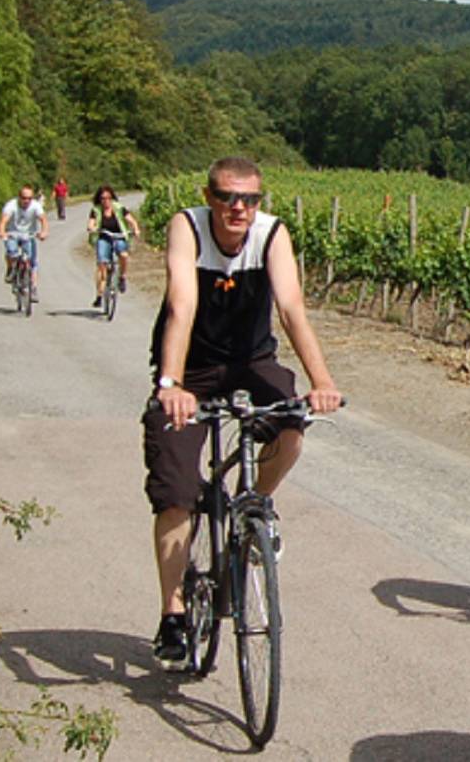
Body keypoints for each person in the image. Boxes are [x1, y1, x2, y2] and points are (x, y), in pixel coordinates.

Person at [143, 156, 343, 670]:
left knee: (293, 428)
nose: (239, 208)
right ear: (208, 196)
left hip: (251, 361)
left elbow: (292, 307)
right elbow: (181, 306)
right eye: (228, 197)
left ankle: (256, 506)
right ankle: (173, 612)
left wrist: (321, 381)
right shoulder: (186, 228)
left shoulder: (272, 235)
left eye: (250, 199)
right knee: (176, 494)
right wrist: (171, 383)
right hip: (192, 366)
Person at [87, 185, 141, 306]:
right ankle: (99, 295)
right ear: (99, 199)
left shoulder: (119, 208)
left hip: (119, 236)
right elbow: (91, 223)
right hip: (104, 237)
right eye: (103, 198)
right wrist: (92, 228)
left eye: (108, 198)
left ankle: (122, 276)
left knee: (124, 254)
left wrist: (135, 229)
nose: (106, 201)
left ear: (112, 198)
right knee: (102, 264)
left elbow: (131, 220)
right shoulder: (96, 210)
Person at [0, 185, 49, 302]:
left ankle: (33, 288)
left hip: (29, 235)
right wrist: (2, 233)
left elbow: (43, 220)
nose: (26, 201)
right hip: (13, 233)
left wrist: (44, 232)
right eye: (24, 198)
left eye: (29, 198)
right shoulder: (11, 206)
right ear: (19, 197)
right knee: (11, 252)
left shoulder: (36, 206)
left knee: (32, 262)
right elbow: (3, 221)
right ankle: (11, 269)